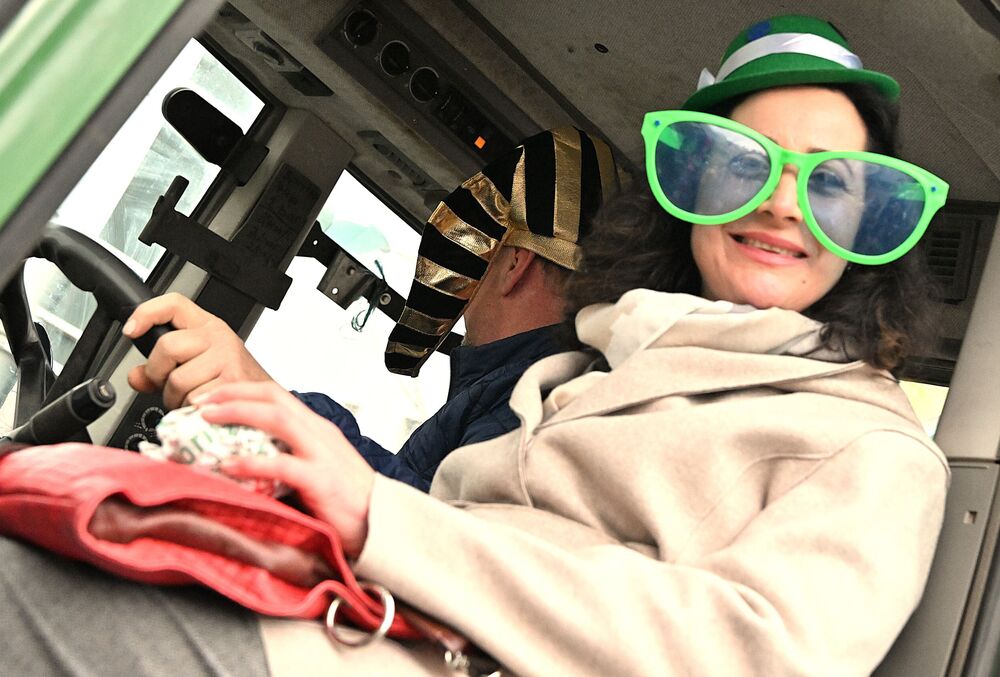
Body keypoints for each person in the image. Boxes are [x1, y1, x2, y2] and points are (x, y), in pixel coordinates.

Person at [0, 14, 950, 676]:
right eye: (742, 166)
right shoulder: (589, 369)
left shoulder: (876, 451)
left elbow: (753, 655)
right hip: (373, 616)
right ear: (690, 189)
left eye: (831, 183)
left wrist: (376, 513)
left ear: (874, 225)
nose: (782, 203)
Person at [124, 127, 622, 491]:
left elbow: (446, 543)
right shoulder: (513, 387)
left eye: (482, 253)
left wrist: (277, 410)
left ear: (514, 264)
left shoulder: (538, 400)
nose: (471, 278)